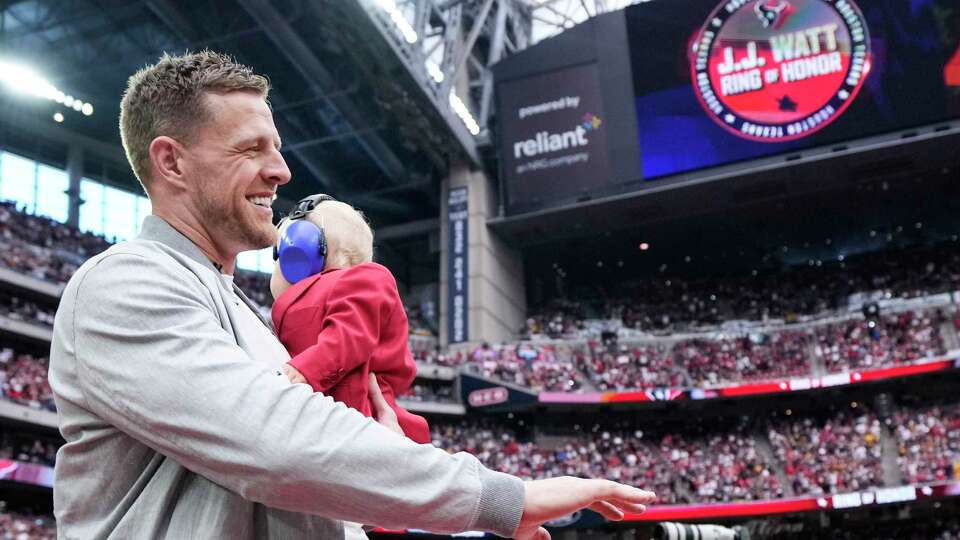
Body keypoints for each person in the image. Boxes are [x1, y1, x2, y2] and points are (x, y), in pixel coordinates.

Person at [48, 50, 656, 539]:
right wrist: (501, 497)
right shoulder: (124, 282)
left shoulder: (244, 314)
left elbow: (312, 487)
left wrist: (388, 474)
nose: (282, 170)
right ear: (171, 163)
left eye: (277, 147)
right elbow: (276, 446)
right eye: (251, 148)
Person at [270, 194, 431, 445]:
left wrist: (302, 371)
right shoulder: (304, 298)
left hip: (361, 410)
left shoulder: (363, 279)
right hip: (323, 412)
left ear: (301, 248)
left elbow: (350, 337)